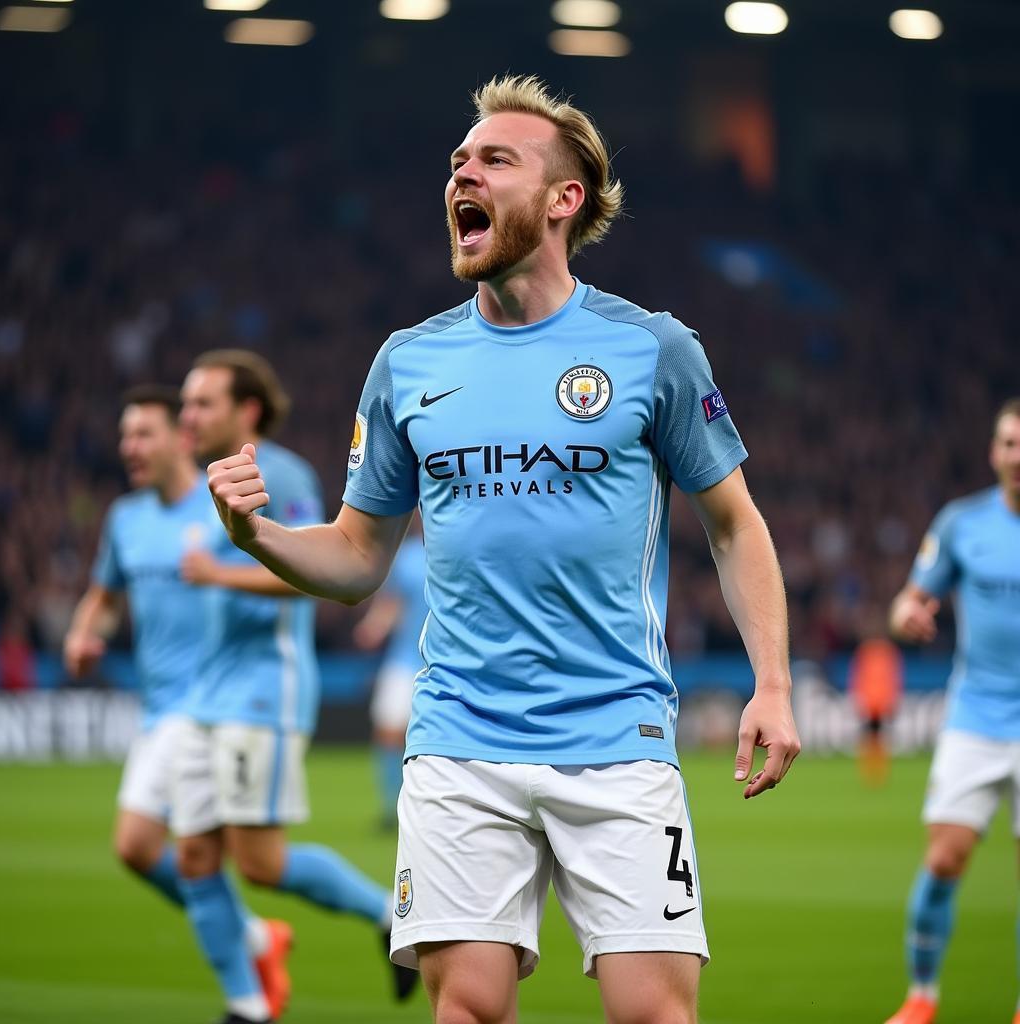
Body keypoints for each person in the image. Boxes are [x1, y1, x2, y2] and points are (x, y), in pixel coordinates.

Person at [205, 76, 800, 1024]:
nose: (460, 176)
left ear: (563, 199)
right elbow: (357, 557)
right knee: (466, 1009)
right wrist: (258, 535)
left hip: (617, 738)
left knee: (656, 1014)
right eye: (456, 163)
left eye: (493, 160)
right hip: (459, 741)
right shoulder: (409, 362)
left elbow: (734, 523)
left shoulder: (650, 349)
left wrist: (771, 681)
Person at [175, 349, 416, 1024]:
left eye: (202, 403)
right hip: (206, 691)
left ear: (247, 410)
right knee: (191, 851)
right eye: (186, 404)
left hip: (261, 690)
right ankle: (248, 1003)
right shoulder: (201, 481)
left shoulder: (282, 474)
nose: (187, 416)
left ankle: (385, 916)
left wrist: (218, 575)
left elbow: (312, 574)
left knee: (259, 863)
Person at [61, 385, 291, 1018]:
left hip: (216, 705)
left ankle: (248, 1001)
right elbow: (104, 597)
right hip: (158, 705)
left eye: (143, 434)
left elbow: (279, 574)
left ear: (178, 439)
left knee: (197, 854)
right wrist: (84, 635)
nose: (128, 447)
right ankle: (253, 935)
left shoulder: (221, 505)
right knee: (137, 848)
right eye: (124, 436)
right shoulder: (125, 519)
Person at [884, 397, 1020, 1024]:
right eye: (1008, 443)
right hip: (977, 715)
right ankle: (922, 997)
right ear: (993, 452)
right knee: (943, 858)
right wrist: (908, 615)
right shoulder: (963, 523)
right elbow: (906, 601)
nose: (1017, 456)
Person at [352, 523, 428, 828]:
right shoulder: (407, 556)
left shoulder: (463, 549)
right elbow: (392, 603)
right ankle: (393, 806)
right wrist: (374, 627)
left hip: (443, 661)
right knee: (388, 732)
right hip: (404, 659)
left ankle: (422, 806)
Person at [847, 615, 903, 786]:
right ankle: (872, 770)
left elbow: (892, 678)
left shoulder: (885, 651)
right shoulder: (870, 651)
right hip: (872, 701)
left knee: (876, 737)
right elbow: (859, 677)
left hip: (879, 701)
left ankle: (876, 770)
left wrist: (892, 698)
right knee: (871, 737)